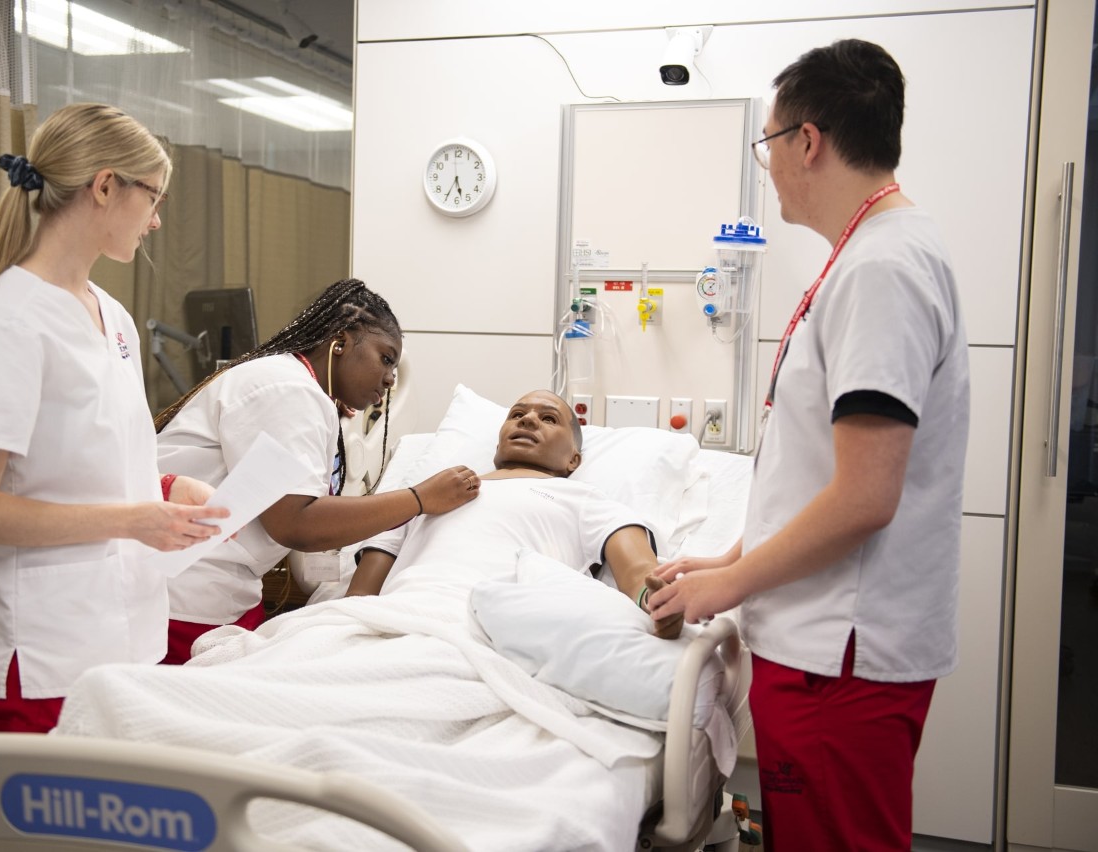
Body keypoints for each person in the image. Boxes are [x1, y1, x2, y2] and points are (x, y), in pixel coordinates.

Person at [648, 40, 970, 850]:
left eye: (768, 144)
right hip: (831, 642)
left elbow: (864, 496)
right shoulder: (875, 253)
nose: (768, 166)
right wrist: (731, 558)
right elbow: (820, 474)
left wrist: (728, 589)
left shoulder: (882, 268)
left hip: (838, 656)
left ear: (808, 142)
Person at [0, 103, 230, 734]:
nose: (155, 219)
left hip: (128, 636)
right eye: (153, 196)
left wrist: (170, 492)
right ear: (103, 185)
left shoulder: (111, 316)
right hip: (46, 649)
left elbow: (86, 462)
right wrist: (132, 519)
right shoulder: (5, 322)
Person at [153, 279, 480, 664]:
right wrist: (418, 499)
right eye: (386, 358)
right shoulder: (288, 390)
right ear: (340, 341)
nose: (391, 378)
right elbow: (295, 523)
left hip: (219, 595)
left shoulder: (299, 391)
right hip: (182, 598)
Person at [346, 389, 684, 641]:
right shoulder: (426, 495)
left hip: (495, 635)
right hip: (395, 623)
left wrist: (656, 600)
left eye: (548, 418)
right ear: (497, 444)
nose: (528, 419)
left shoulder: (586, 501)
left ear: (573, 461)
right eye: (517, 414)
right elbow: (356, 603)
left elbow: (639, 571)